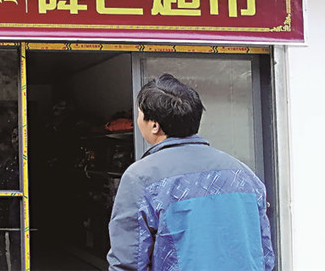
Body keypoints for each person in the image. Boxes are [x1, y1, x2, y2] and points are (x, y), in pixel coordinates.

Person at [107, 74, 275, 271]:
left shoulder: (141, 178)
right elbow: (265, 255)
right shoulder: (244, 174)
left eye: (139, 114)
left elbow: (128, 263)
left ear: (154, 126)